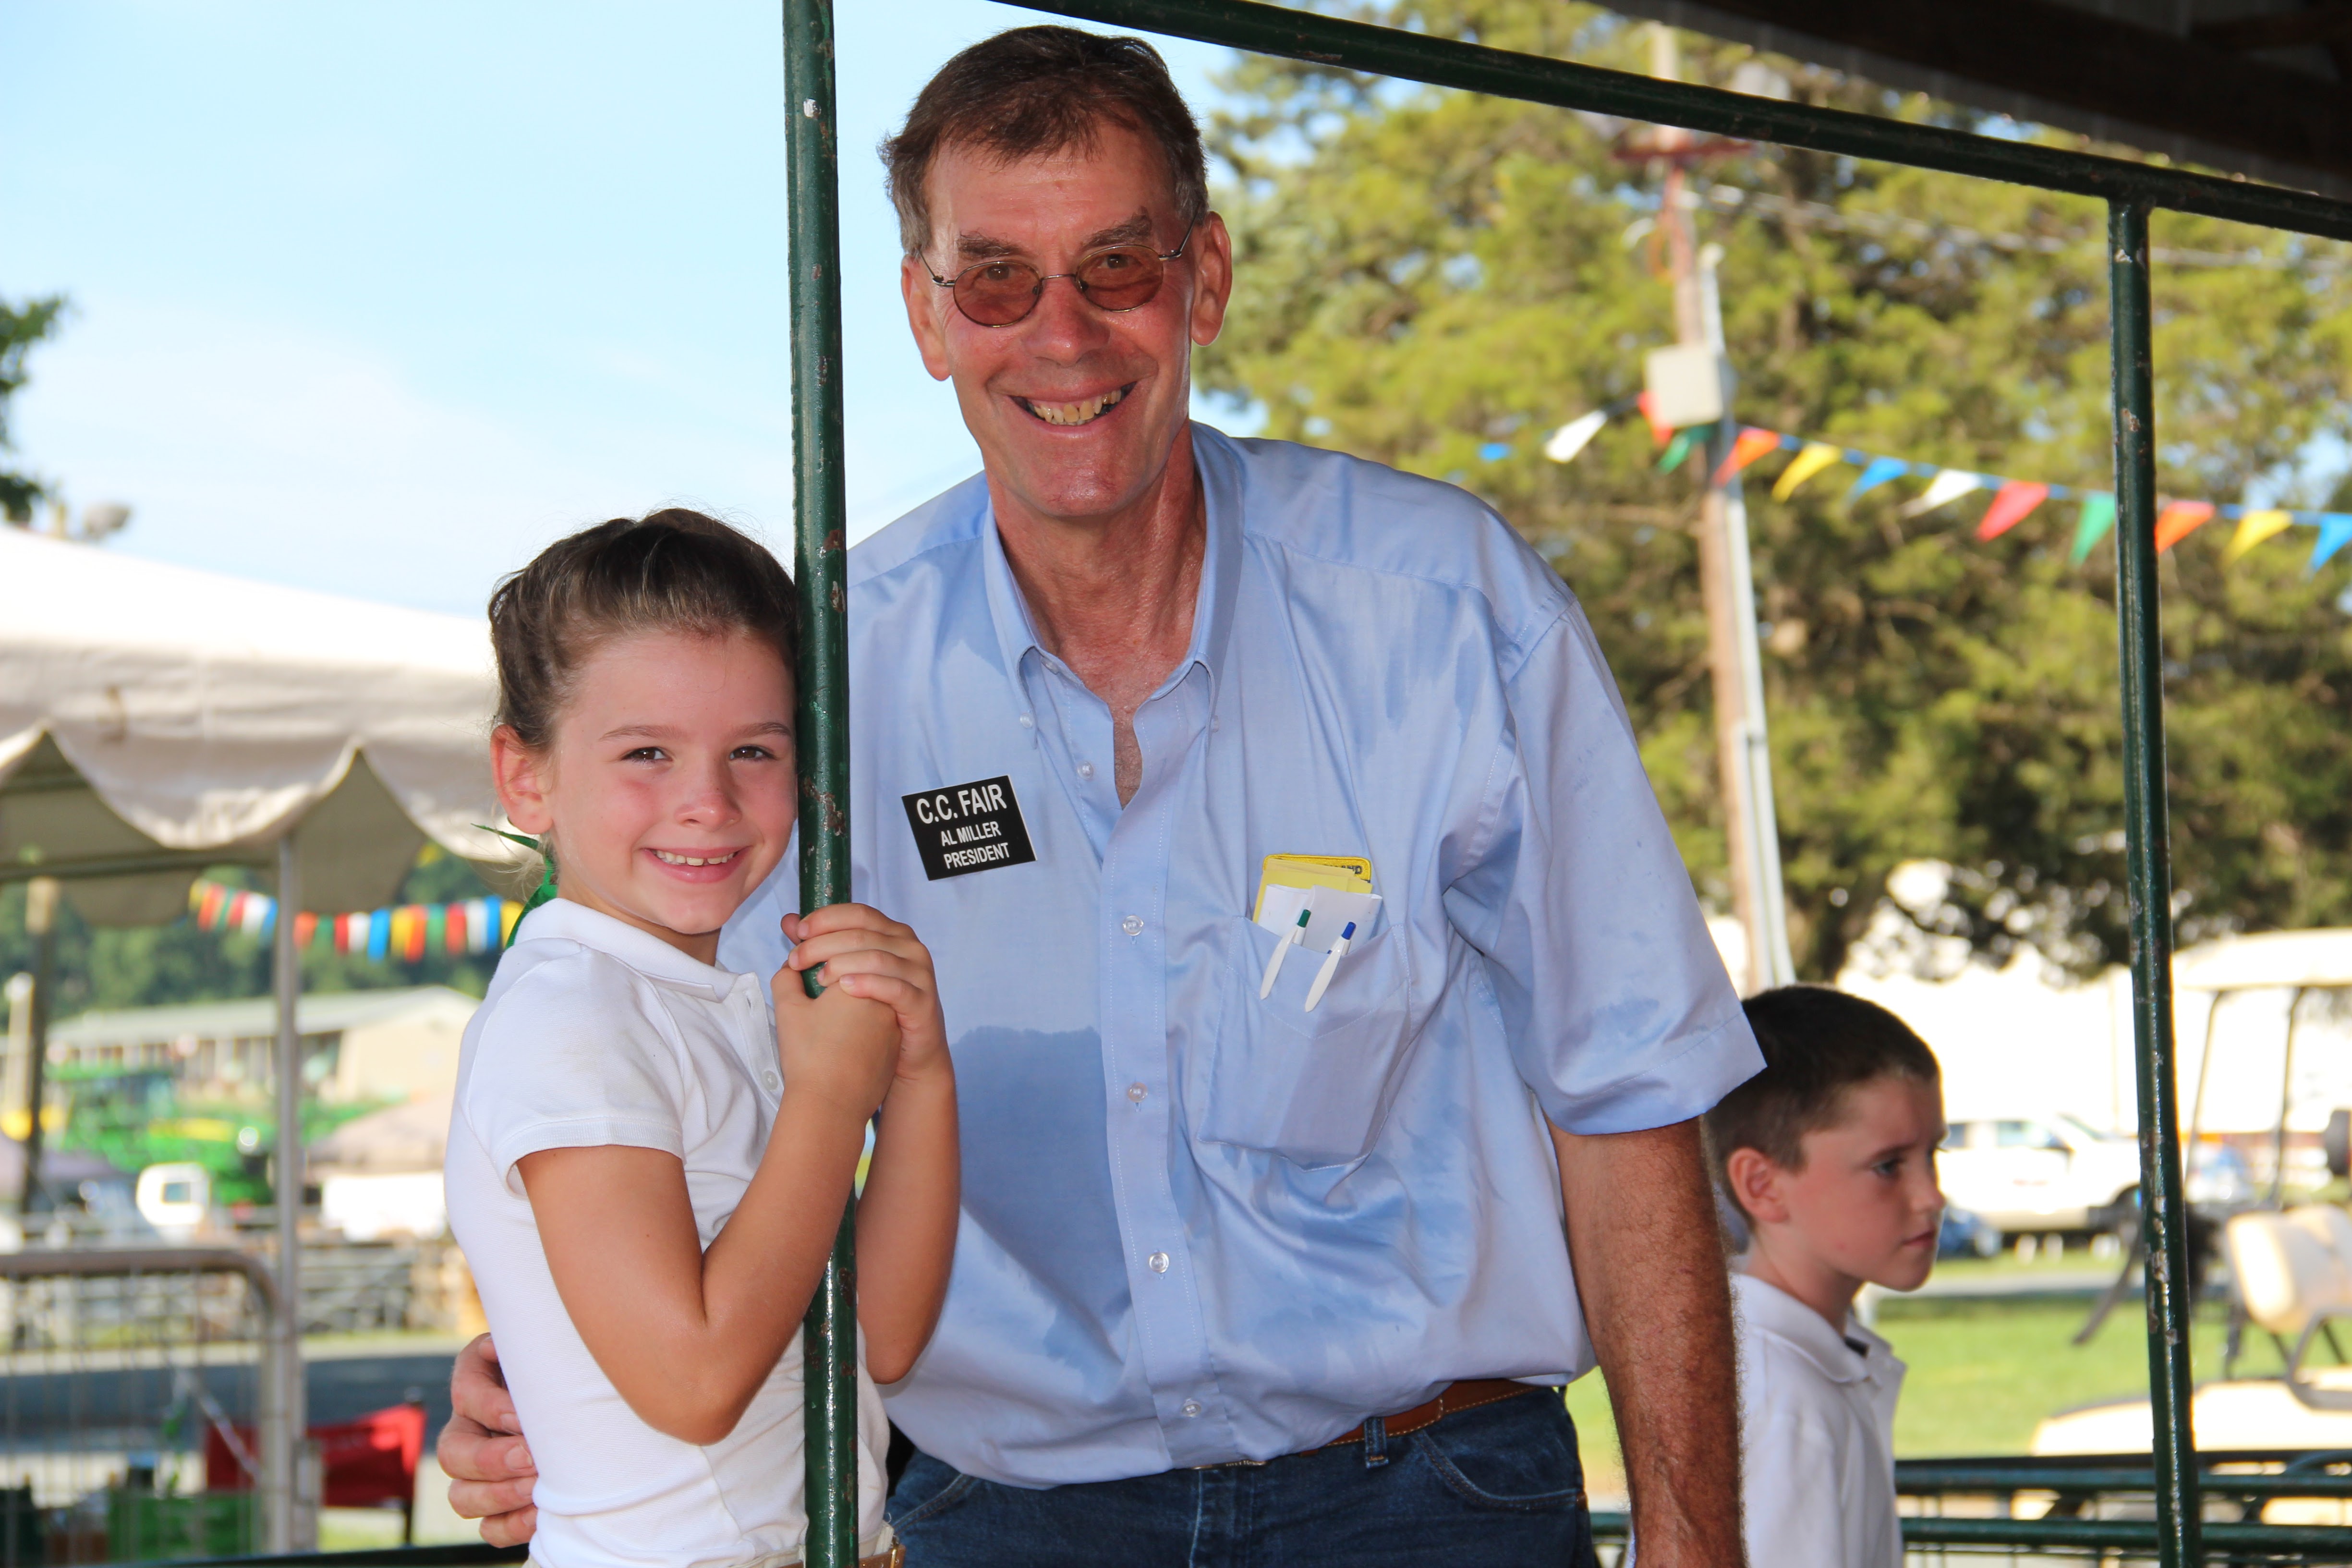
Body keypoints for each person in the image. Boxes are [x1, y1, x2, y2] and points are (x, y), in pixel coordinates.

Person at [443, 29, 1763, 1566]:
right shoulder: (818, 682)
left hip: (1423, 1494)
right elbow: (681, 1091)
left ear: (1204, 280)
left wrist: (1696, 1545)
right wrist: (534, 1362)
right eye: (997, 279)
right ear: (925, 315)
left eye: (1115, 267)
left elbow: (1630, 1090)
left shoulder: (1442, 605)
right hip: (1006, 1514)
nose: (1060, 334)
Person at [444, 511, 958, 1568]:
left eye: (753, 751)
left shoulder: (703, 1000)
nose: (708, 803)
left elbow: (881, 1337)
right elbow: (693, 1384)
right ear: (526, 777)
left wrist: (918, 1074)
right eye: (647, 753)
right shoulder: (570, 1014)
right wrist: (828, 1100)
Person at [1705, 985, 1946, 1568]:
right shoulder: (1780, 1400)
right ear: (1761, 1185)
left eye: (1932, 1155)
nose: (1931, 1196)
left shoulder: (1793, 1364)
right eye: (1887, 1165)